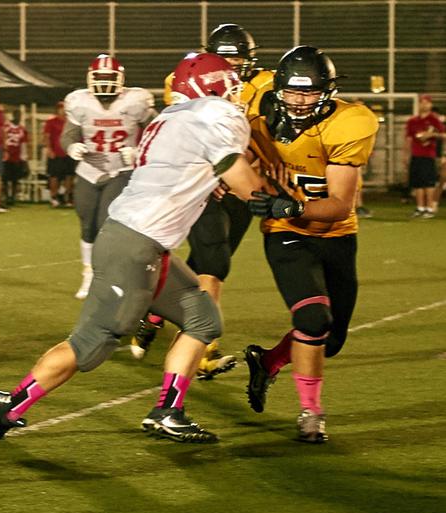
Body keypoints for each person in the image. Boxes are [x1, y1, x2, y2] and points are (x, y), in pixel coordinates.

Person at [0, 53, 269, 444]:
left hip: (144, 242)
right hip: (135, 244)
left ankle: (168, 410)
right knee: (94, 343)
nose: (235, 93)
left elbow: (185, 168)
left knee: (203, 319)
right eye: (229, 84)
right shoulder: (212, 114)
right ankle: (9, 405)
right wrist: (270, 199)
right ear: (211, 87)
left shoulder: (175, 116)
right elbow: (235, 169)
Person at [244, 46, 379, 443]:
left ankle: (267, 361)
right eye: (292, 92)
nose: (300, 101)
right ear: (278, 88)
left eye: (309, 93)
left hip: (335, 235)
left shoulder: (348, 123)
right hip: (286, 233)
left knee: (330, 340)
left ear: (327, 92)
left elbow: (338, 205)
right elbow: (236, 156)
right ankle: (311, 412)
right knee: (313, 319)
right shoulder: (257, 117)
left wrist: (296, 203)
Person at [138, 23, 274, 377]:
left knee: (211, 258)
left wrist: (244, 176)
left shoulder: (267, 87)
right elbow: (193, 133)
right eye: (223, 58)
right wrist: (214, 174)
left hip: (241, 182)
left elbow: (265, 139)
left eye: (237, 59)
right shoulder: (184, 81)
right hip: (208, 184)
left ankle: (155, 312)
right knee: (215, 264)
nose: (231, 65)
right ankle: (204, 348)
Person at [63, 54, 155, 299]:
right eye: (100, 77)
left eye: (109, 77)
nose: (104, 82)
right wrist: (73, 147)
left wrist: (138, 152)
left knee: (106, 221)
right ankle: (89, 273)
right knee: (87, 223)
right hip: (89, 170)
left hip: (120, 170)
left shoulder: (135, 101)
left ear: (120, 79)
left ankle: (107, 275)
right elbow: (68, 135)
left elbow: (157, 132)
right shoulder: (80, 102)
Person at [404, 94, 444, 218]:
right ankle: (420, 208)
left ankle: (429, 208)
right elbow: (408, 139)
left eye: (427, 102)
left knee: (429, 183)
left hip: (428, 155)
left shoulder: (434, 120)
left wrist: (431, 135)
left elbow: (443, 135)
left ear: (430, 105)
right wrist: (405, 154)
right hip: (416, 155)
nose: (424, 105)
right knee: (418, 183)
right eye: (422, 102)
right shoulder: (412, 121)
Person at [42, 101, 74, 207]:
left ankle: (68, 196)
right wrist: (49, 149)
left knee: (69, 176)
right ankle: (54, 196)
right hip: (56, 153)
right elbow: (46, 136)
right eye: (61, 108)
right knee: (54, 176)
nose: (63, 110)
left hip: (69, 153)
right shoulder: (51, 122)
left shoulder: (71, 122)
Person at [2, 108, 29, 206]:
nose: (18, 117)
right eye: (17, 115)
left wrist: (24, 159)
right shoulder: (6, 127)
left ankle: (12, 197)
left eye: (20, 115)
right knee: (4, 178)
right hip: (5, 156)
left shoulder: (22, 130)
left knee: (14, 178)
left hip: (16, 156)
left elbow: (24, 145)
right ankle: (5, 196)